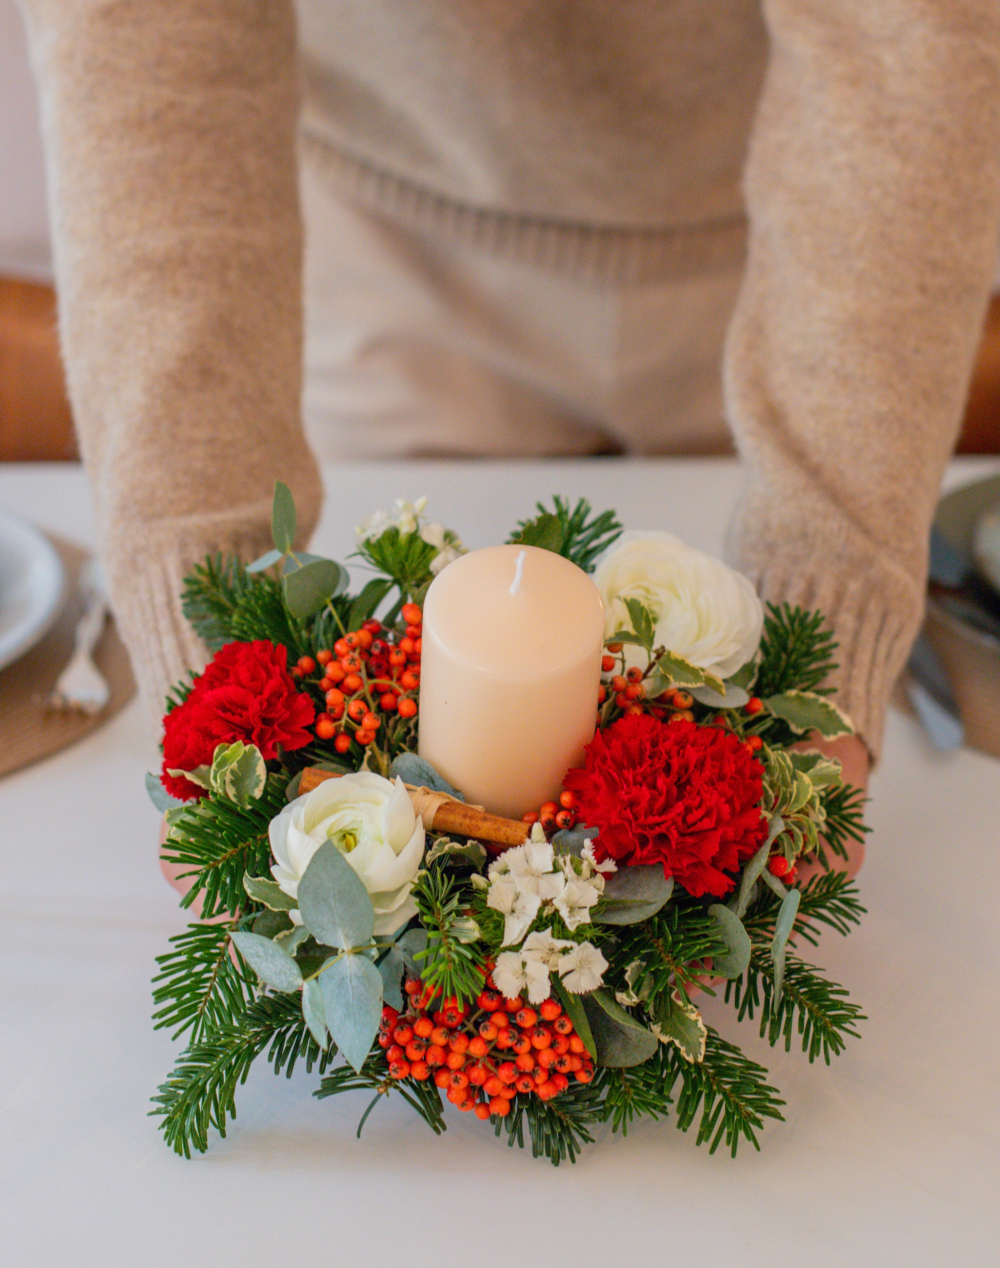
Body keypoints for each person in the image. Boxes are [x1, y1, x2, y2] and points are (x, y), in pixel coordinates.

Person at [18, 0, 1000, 823]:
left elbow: (900, 39)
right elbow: (144, 28)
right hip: (387, 241)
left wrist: (820, 628)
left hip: (800, 246)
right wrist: (213, 625)